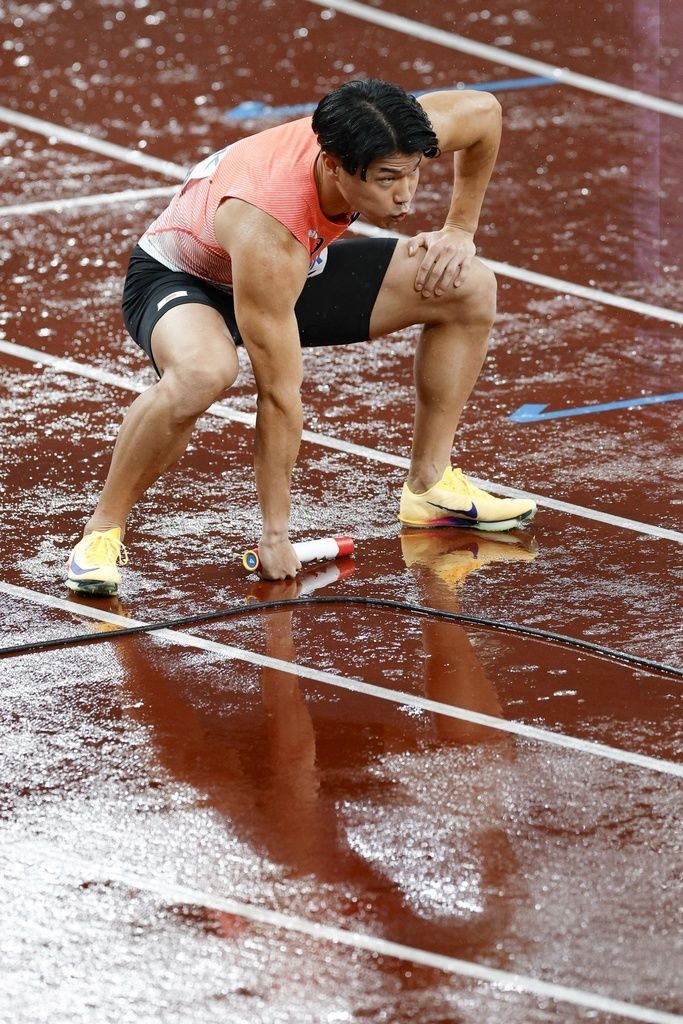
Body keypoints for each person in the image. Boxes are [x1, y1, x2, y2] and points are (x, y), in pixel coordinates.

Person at [66, 78, 536, 595]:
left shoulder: (392, 131)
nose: (405, 195)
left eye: (414, 173)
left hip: (300, 269)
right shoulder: (268, 224)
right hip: (186, 279)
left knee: (465, 284)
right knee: (205, 372)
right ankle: (101, 533)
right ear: (333, 165)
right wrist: (275, 535)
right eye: (386, 180)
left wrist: (460, 230)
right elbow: (279, 396)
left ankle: (430, 487)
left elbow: (486, 114)